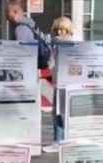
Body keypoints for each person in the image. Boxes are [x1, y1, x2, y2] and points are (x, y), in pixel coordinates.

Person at [43, 16, 73, 154]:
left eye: (61, 30)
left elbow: (49, 63)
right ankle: (67, 140)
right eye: (57, 30)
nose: (58, 33)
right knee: (66, 114)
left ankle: (58, 141)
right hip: (72, 84)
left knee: (57, 113)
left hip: (61, 83)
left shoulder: (54, 44)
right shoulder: (74, 44)